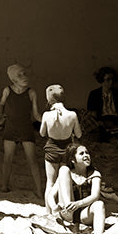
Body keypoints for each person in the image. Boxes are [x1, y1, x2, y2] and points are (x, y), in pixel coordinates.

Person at [0, 63, 43, 196]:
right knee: (8, 159)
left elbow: (35, 115)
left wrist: (48, 120)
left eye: (24, 73)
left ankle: (39, 190)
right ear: (13, 79)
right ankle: (3, 186)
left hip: (26, 129)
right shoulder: (7, 90)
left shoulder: (31, 92)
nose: (24, 77)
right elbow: (1, 105)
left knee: (32, 160)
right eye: (20, 75)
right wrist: (0, 115)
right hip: (10, 128)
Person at [40, 84, 82, 216]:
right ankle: (65, 211)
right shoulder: (72, 115)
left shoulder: (47, 115)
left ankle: (48, 212)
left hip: (52, 149)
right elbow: (79, 135)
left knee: (50, 182)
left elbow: (42, 133)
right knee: (65, 182)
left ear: (49, 99)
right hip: (67, 150)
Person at [51, 143, 105, 234]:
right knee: (63, 169)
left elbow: (95, 196)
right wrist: (54, 207)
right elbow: (51, 195)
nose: (86, 155)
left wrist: (78, 204)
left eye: (87, 153)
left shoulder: (94, 174)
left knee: (99, 204)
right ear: (72, 160)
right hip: (68, 212)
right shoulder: (66, 174)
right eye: (81, 153)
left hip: (84, 213)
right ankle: (68, 208)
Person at [85, 66, 118, 145]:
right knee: (98, 139)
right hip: (102, 123)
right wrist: (101, 123)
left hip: (117, 122)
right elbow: (93, 114)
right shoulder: (94, 94)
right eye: (108, 80)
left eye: (112, 79)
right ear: (102, 80)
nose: (111, 82)